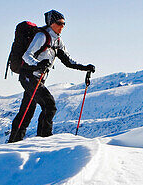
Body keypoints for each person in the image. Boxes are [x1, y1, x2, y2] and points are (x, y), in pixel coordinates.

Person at [8, 10, 95, 142]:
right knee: (49, 105)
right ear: (51, 23)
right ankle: (44, 140)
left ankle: (14, 142)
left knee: (27, 110)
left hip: (37, 78)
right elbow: (26, 56)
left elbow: (68, 61)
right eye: (59, 23)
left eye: (64, 24)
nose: (62, 26)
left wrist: (85, 67)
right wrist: (38, 64)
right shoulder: (42, 36)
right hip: (29, 76)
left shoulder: (57, 41)